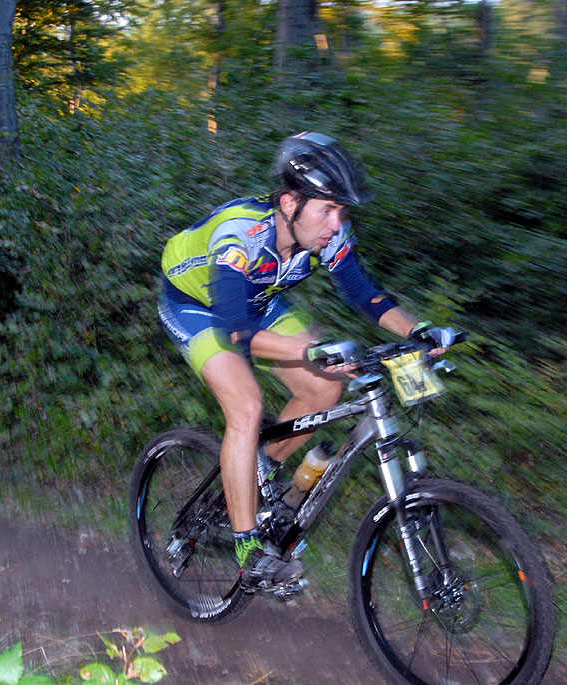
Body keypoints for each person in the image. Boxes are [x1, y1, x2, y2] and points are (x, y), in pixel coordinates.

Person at [158, 132, 459, 591]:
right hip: (197, 305)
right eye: (327, 210)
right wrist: (311, 351)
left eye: (342, 212)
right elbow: (237, 333)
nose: (336, 224)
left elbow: (363, 294)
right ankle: (248, 550)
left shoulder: (324, 233)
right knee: (247, 406)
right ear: (289, 203)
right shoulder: (240, 236)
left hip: (258, 301)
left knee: (325, 387)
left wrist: (417, 331)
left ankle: (258, 472)